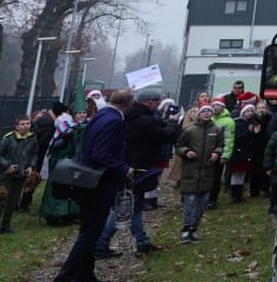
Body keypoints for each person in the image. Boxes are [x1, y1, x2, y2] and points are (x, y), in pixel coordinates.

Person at [50, 86, 132, 282]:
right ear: (128, 103)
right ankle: (65, 276)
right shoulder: (113, 120)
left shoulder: (102, 115)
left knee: (89, 231)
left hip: (88, 180)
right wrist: (123, 168)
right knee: (90, 234)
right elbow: (100, 153)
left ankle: (85, 274)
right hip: (98, 183)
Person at [94, 87, 177, 258]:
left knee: (134, 206)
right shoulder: (144, 120)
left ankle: (142, 241)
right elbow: (162, 136)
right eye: (157, 102)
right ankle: (101, 243)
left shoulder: (130, 117)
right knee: (123, 207)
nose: (158, 105)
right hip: (136, 169)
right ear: (150, 102)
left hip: (130, 166)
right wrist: (171, 123)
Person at [174, 104, 223, 244]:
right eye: (204, 111)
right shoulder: (190, 130)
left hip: (207, 171)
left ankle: (194, 228)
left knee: (202, 203)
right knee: (190, 202)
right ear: (199, 114)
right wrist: (186, 152)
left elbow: (221, 145)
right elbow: (179, 146)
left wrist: (217, 153)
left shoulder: (216, 130)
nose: (206, 113)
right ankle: (186, 229)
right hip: (190, 171)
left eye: (209, 111)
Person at [0, 113, 34, 233]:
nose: (26, 126)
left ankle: (6, 225)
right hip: (6, 175)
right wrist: (7, 165)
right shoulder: (8, 139)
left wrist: (31, 166)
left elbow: (34, 153)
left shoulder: (32, 138)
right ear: (17, 126)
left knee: (13, 201)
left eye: (28, 124)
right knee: (2, 199)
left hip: (21, 174)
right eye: (22, 124)